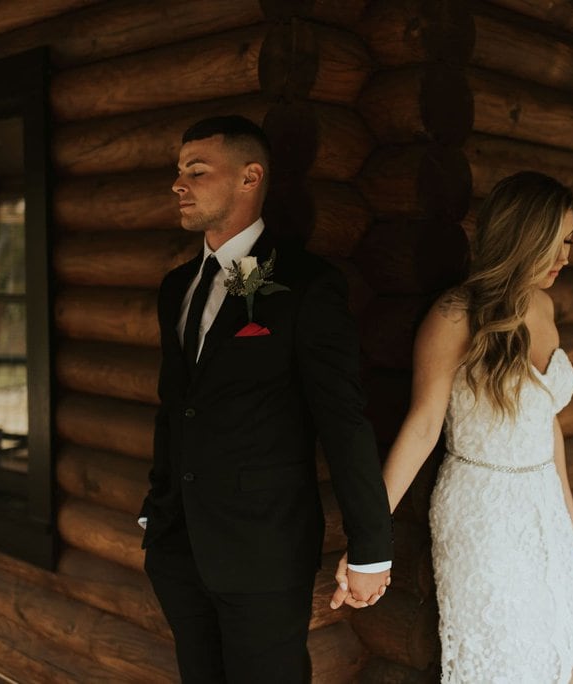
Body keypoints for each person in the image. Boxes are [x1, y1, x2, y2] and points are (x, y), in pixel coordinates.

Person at [138, 115, 393, 683]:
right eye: (179, 172)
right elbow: (175, 403)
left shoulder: (305, 284)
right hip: (178, 546)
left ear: (250, 177)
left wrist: (372, 546)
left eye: (197, 171)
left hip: (263, 552)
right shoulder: (176, 288)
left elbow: (342, 419)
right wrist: (154, 509)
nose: (178, 184)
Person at [359, 171, 573, 682]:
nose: (565, 259)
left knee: (572, 657)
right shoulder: (454, 315)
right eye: (555, 245)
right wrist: (369, 536)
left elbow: (545, 420)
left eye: (569, 243)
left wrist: (570, 518)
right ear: (522, 239)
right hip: (483, 510)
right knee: (508, 662)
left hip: (545, 507)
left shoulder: (544, 304)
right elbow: (423, 426)